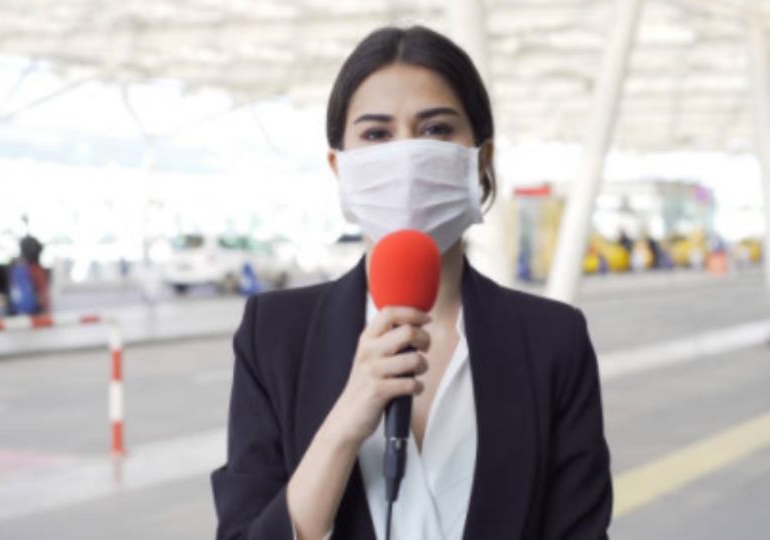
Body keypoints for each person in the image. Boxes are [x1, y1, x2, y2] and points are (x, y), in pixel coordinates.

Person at [211, 26, 612, 540]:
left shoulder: (553, 340)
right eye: (377, 134)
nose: (407, 157)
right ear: (340, 167)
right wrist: (345, 423)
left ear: (481, 159)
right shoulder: (275, 334)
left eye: (436, 130)